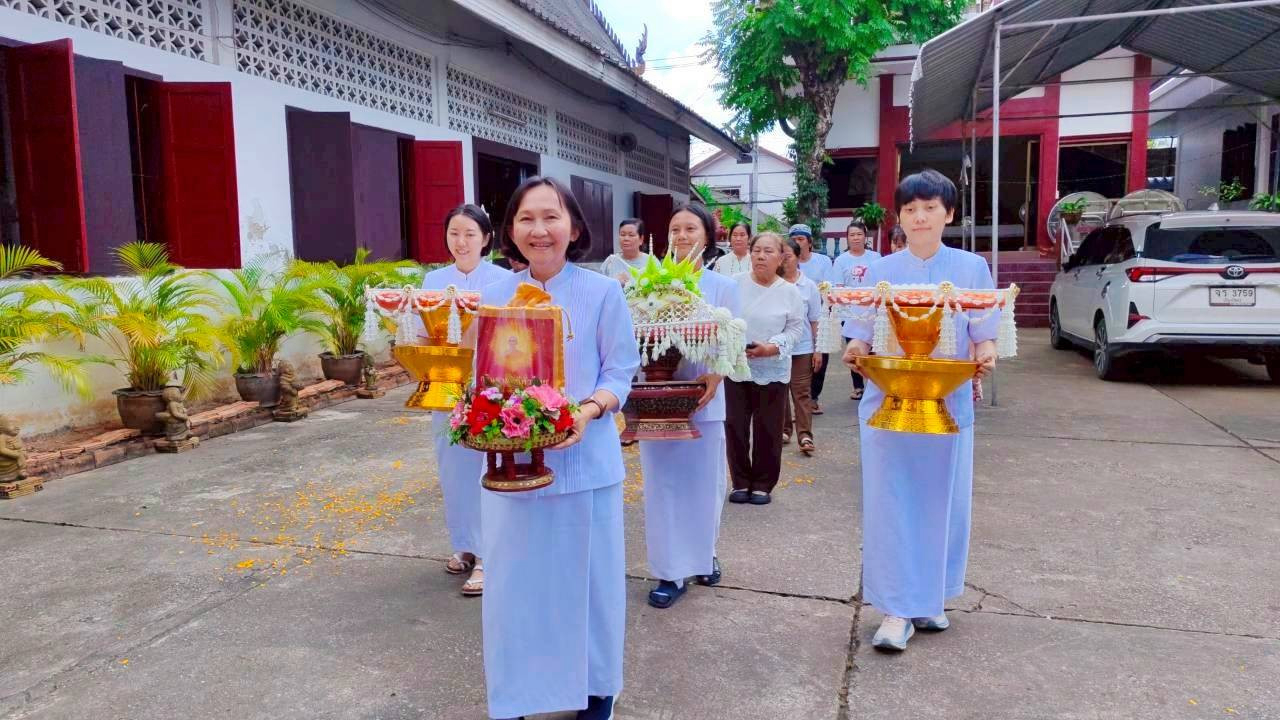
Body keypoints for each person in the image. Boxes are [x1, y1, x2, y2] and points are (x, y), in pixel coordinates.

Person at [480, 177, 640, 720]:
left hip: (587, 463)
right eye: (526, 218)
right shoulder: (494, 295)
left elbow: (620, 370)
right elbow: (481, 375)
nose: (539, 229)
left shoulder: (602, 293)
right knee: (518, 588)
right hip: (514, 468)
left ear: (573, 228)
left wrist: (590, 409)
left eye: (551, 217)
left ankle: (597, 691)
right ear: (510, 230)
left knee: (592, 586)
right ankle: (518, 694)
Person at [841, 169, 999, 652]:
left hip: (947, 406)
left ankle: (929, 599)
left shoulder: (971, 267)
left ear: (949, 214)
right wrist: (855, 346)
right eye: (910, 209)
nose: (920, 217)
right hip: (888, 403)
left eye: (930, 207)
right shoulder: (883, 269)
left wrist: (986, 351)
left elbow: (982, 324)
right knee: (891, 502)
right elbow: (862, 326)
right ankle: (894, 608)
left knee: (942, 502)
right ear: (899, 217)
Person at [638, 202, 739, 609]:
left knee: (703, 484)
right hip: (657, 399)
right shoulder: (647, 285)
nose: (681, 236)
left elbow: (732, 342)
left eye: (690, 229)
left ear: (707, 236)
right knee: (662, 484)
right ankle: (669, 570)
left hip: (704, 399)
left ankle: (702, 554)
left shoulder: (724, 287)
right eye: (675, 229)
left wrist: (715, 375)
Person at [419, 204, 511, 597]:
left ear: (487, 238)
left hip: (490, 388)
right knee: (453, 469)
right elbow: (421, 334)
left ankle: (492, 555)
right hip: (446, 387)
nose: (462, 242)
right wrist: (417, 360)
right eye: (454, 233)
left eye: (471, 234)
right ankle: (466, 545)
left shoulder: (505, 280)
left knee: (486, 468)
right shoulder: (432, 280)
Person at [725, 232, 806, 506]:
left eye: (768, 251)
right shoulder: (733, 285)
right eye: (756, 250)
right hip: (736, 366)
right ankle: (739, 481)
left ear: (781, 257)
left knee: (768, 428)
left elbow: (796, 329)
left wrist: (772, 347)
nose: (760, 256)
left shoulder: (790, 291)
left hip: (772, 367)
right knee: (735, 425)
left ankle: (762, 483)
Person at [828, 219, 882, 400]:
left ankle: (876, 383)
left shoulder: (876, 258)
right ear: (847, 238)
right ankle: (858, 386)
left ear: (865, 236)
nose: (856, 238)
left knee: (876, 348)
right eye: (852, 235)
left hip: (874, 312)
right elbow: (839, 287)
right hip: (850, 313)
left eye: (859, 234)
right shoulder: (841, 261)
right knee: (855, 349)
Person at [778, 235, 822, 455]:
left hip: (802, 348)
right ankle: (784, 430)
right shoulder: (773, 284)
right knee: (780, 390)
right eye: (781, 256)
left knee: (801, 392)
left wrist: (818, 350)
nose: (784, 260)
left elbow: (815, 320)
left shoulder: (809, 286)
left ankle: (805, 435)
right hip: (777, 347)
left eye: (787, 256)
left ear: (797, 258)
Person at [790, 224, 832, 415]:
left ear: (809, 242)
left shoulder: (823, 261)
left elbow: (828, 287)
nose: (798, 242)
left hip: (821, 312)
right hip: (794, 316)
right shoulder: (786, 262)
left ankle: (813, 397)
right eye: (794, 239)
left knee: (820, 356)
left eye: (801, 239)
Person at [599, 218, 649, 283]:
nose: (626, 239)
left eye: (631, 235)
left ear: (641, 239)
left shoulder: (650, 262)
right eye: (622, 235)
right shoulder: (610, 261)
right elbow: (600, 286)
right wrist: (615, 282)